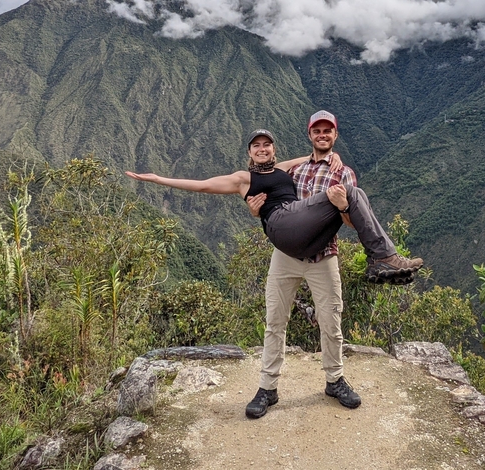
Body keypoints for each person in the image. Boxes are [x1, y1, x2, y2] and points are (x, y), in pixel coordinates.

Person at [124, 123, 422, 419]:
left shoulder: (296, 169)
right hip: (284, 239)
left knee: (331, 319)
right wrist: (157, 179)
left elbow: (327, 182)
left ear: (274, 150)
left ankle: (335, 381)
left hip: (322, 252)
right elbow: (203, 184)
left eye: (267, 145)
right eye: (257, 146)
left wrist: (340, 181)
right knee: (275, 322)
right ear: (249, 153)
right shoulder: (245, 179)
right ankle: (268, 388)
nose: (263, 149)